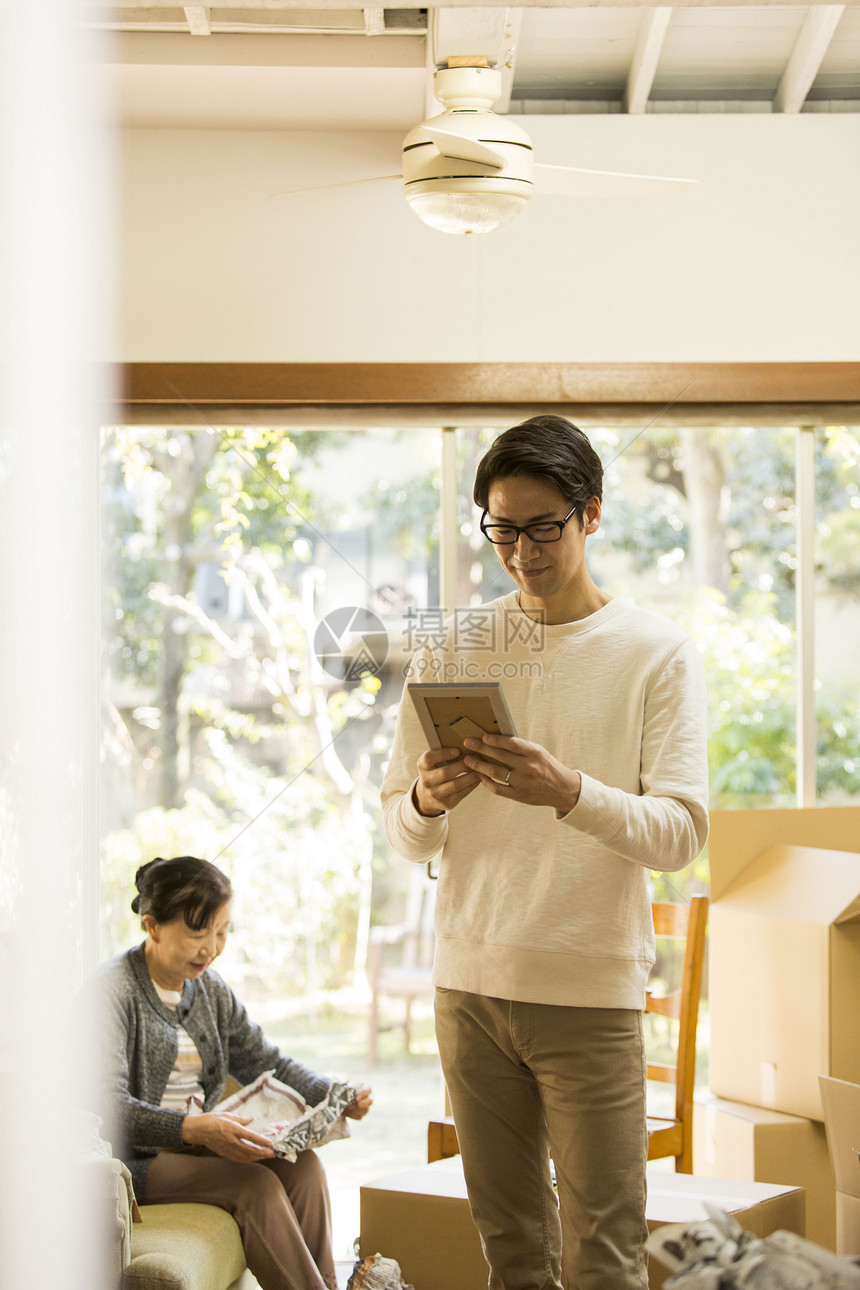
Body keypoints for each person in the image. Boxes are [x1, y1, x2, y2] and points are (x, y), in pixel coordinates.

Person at [381, 416, 709, 1290]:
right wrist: (426, 800)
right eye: (501, 529)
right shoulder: (453, 646)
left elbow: (680, 832)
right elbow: (399, 829)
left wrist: (570, 793)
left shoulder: (657, 654)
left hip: (587, 989)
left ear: (591, 514)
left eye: (542, 527)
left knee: (604, 1252)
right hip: (471, 986)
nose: (520, 551)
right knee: (511, 1250)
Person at [87, 855, 373, 1290]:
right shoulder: (112, 991)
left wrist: (332, 1094)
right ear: (153, 927)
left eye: (221, 932)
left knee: (305, 1169)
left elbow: (264, 1058)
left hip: (199, 1142)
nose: (211, 948)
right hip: (135, 1159)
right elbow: (106, 1109)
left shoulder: (210, 989)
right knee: (254, 1187)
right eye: (198, 933)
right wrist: (193, 1129)